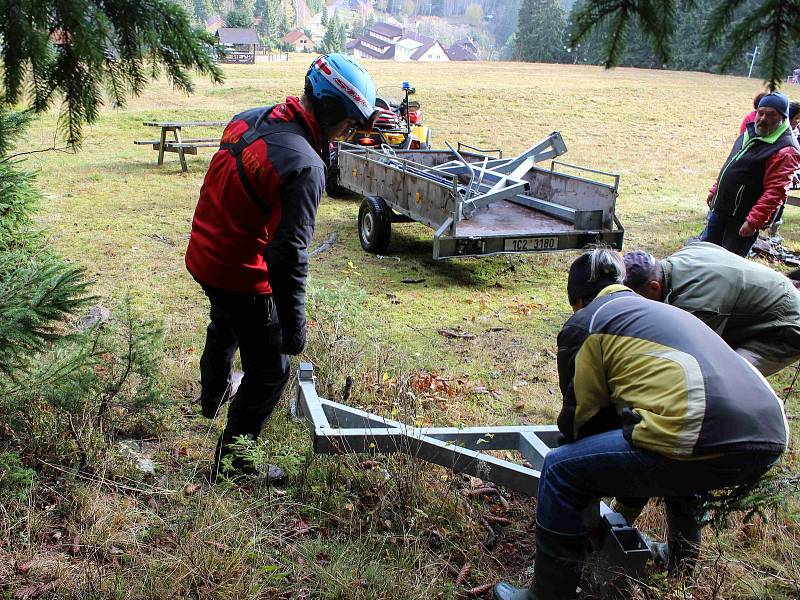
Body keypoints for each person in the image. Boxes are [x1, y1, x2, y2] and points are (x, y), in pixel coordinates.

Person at [493, 249, 788, 600]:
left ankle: (546, 595)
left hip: (698, 428)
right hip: (768, 434)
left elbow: (582, 421)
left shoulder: (586, 322)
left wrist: (584, 503)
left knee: (561, 469)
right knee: (683, 463)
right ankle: (681, 571)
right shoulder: (666, 310)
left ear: (579, 299)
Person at [185, 54, 378, 481]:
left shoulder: (247, 119)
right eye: (348, 125)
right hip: (237, 271)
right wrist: (293, 329)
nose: (348, 134)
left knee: (225, 323)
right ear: (330, 113)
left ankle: (212, 398)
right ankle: (233, 466)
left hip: (203, 253)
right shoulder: (306, 166)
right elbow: (288, 254)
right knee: (271, 369)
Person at [623, 243, 800, 376]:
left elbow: (689, 356)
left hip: (784, 327)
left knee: (726, 378)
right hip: (762, 304)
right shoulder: (684, 255)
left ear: (654, 287)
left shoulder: (696, 303)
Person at [701, 92, 800, 256]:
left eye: (770, 115)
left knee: (726, 265)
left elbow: (776, 191)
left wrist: (754, 221)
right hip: (721, 209)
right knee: (703, 254)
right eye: (760, 113)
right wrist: (715, 190)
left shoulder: (785, 149)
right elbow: (731, 164)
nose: (762, 118)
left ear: (782, 118)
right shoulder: (751, 132)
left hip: (742, 219)